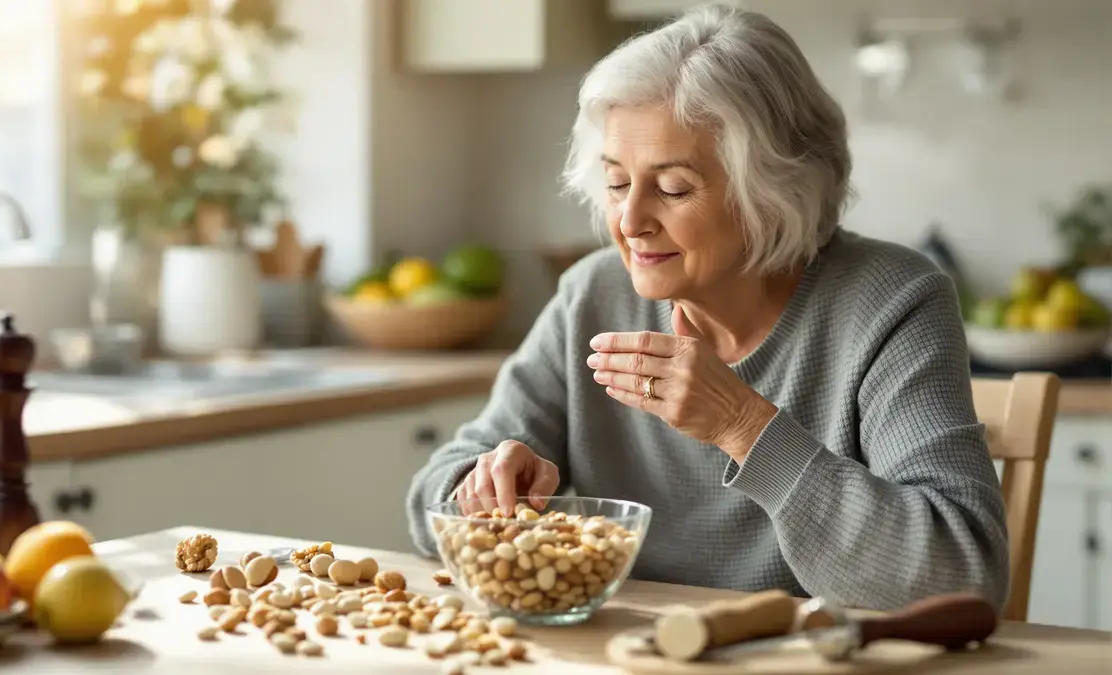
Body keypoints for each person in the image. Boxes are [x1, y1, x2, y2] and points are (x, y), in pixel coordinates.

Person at [405, 3, 1008, 612]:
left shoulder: (889, 303)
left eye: (672, 189)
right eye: (617, 183)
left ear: (775, 193)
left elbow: (960, 577)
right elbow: (430, 496)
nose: (631, 221)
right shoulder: (594, 295)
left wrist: (742, 427)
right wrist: (479, 487)